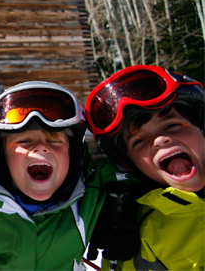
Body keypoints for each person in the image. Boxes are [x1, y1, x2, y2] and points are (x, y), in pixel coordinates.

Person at [0, 81, 131, 270]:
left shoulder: (94, 190)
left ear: (72, 155)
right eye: (24, 140)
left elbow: (140, 173)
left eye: (54, 140)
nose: (41, 147)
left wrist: (127, 207)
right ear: (3, 157)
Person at [85, 65, 204, 270]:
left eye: (171, 125)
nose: (159, 141)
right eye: (138, 141)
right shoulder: (141, 238)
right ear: (131, 165)